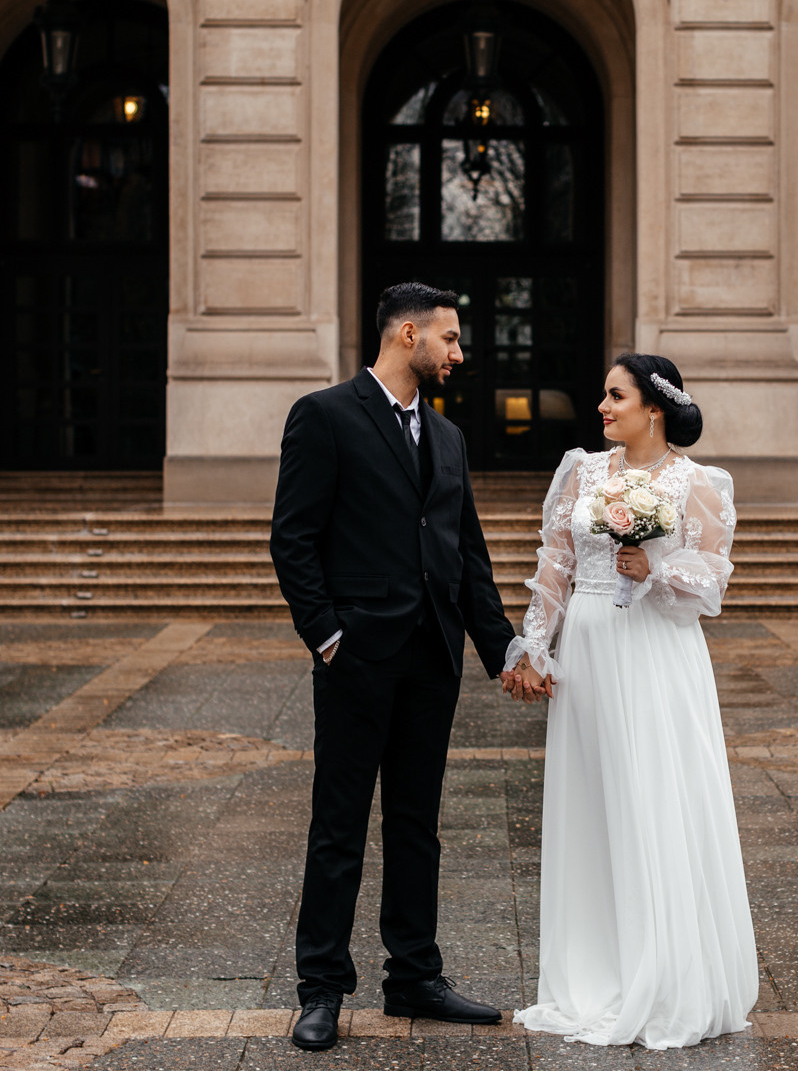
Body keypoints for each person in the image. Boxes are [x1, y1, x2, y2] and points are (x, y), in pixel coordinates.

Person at [269, 282, 540, 1051]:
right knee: (339, 827)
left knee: (418, 825)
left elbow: (468, 558)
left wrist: (505, 649)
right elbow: (293, 540)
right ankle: (321, 988)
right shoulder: (323, 416)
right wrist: (327, 638)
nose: (459, 355)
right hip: (357, 658)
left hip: (432, 658)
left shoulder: (448, 440)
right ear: (408, 335)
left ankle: (414, 977)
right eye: (450, 340)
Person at [500, 353, 759, 1049]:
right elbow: (553, 564)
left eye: (615, 396)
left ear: (654, 407)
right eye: (603, 395)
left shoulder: (697, 484)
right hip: (587, 647)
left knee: (653, 798)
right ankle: (592, 970)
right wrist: (535, 646)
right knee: (592, 799)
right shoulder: (582, 472)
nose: (602, 408)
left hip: (654, 653)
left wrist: (658, 565)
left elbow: (712, 586)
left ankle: (665, 973)